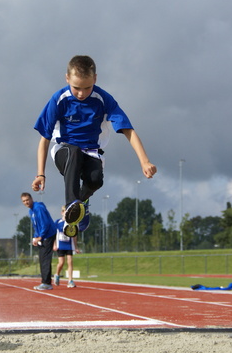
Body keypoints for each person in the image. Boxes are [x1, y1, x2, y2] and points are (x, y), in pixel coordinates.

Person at [31, 55, 157, 236]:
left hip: (91, 152)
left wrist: (145, 161)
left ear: (95, 79)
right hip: (64, 151)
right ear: (67, 78)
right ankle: (72, 205)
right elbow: (44, 140)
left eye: (87, 88)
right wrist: (40, 174)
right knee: (73, 152)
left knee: (96, 180)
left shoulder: (103, 99)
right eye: (76, 88)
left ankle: (82, 204)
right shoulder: (59, 99)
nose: (81, 94)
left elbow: (128, 130)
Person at [21, 192, 57, 290]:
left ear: (31, 198)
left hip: (48, 234)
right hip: (43, 235)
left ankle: (46, 283)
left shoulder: (38, 208)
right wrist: (35, 237)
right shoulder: (31, 211)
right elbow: (36, 225)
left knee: (45, 258)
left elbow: (45, 223)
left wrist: (41, 236)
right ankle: (45, 282)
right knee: (42, 258)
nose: (26, 202)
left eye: (27, 200)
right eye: (24, 201)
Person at [53, 206, 80, 288]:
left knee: (70, 262)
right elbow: (53, 234)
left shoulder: (72, 223)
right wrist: (54, 244)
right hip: (60, 245)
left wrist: (76, 247)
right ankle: (57, 275)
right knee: (61, 263)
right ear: (62, 212)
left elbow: (74, 236)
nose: (66, 213)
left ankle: (70, 280)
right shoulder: (58, 222)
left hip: (69, 244)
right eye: (65, 211)